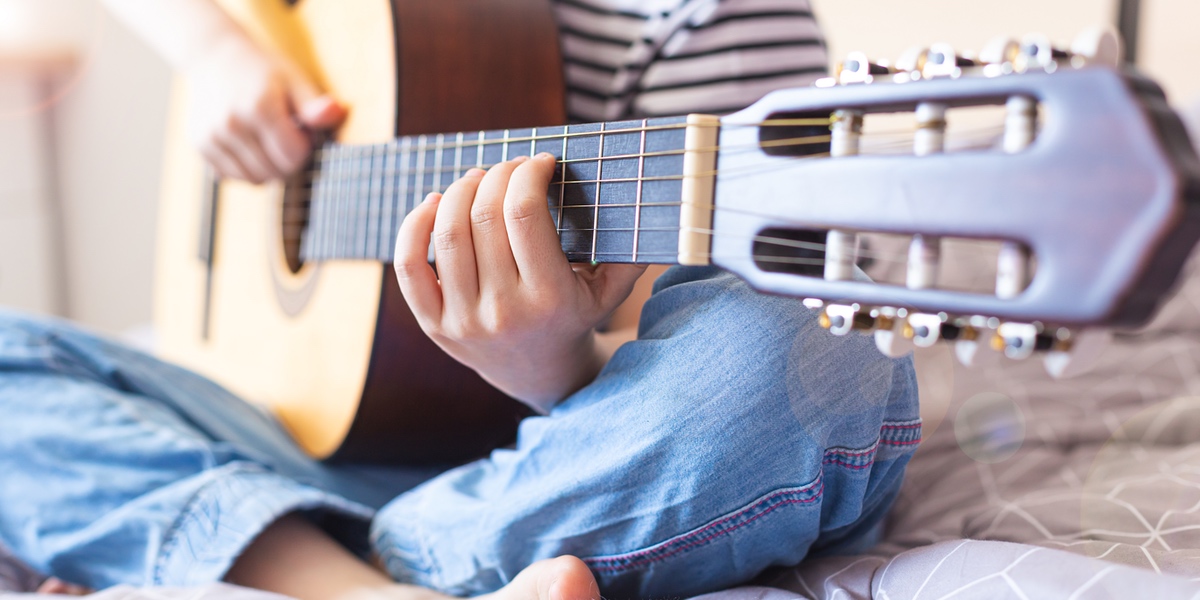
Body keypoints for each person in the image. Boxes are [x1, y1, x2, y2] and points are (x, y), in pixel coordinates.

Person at [0, 1, 921, 599]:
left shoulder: (710, 20)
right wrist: (211, 49)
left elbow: (693, 342)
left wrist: (550, 362)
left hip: (535, 471)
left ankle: (271, 564)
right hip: (302, 436)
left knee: (822, 347)